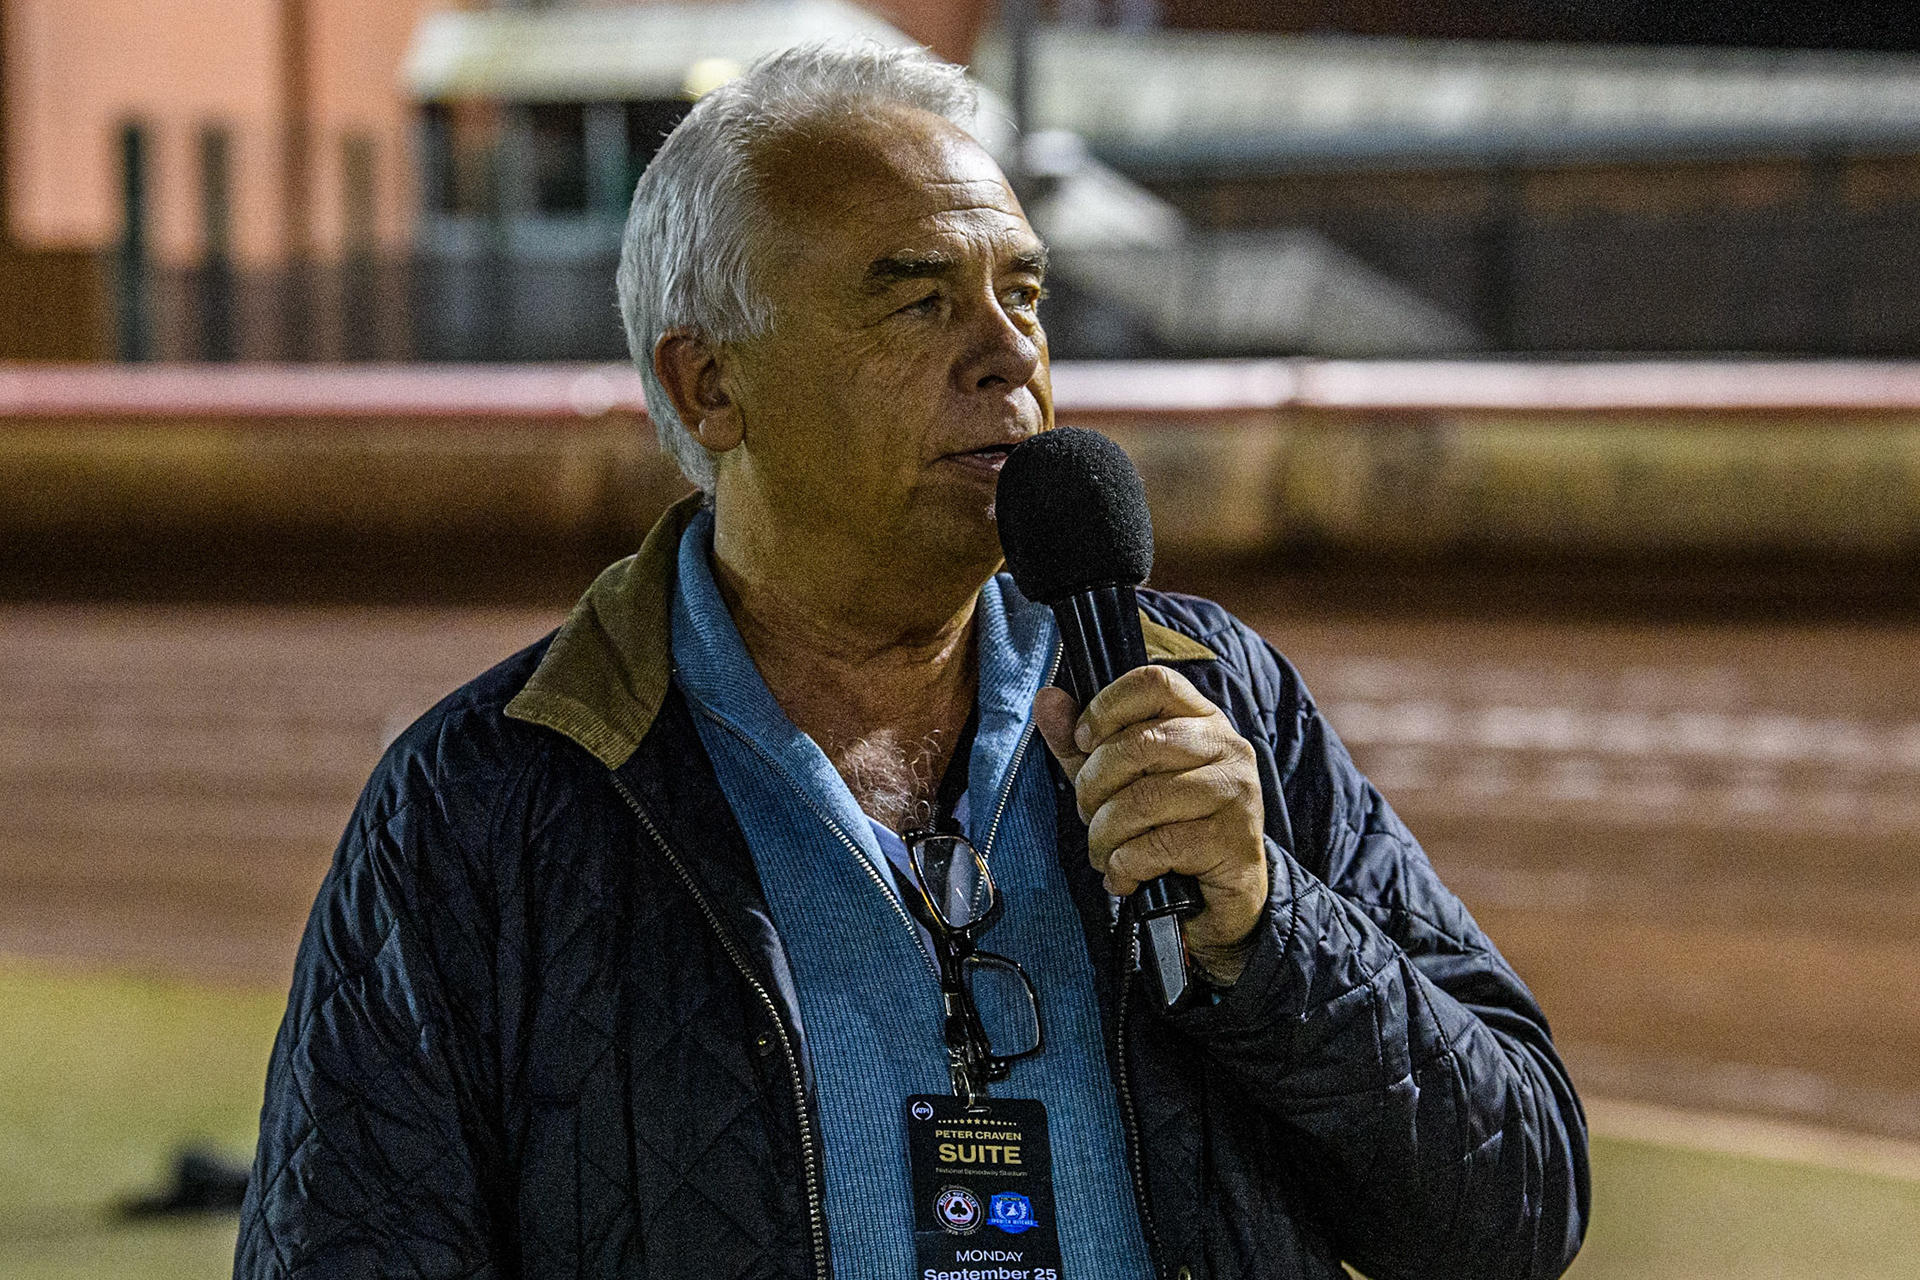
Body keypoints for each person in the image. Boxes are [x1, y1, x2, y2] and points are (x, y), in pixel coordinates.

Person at [236, 42, 1587, 1280]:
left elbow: (1519, 1212)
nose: (1012, 356)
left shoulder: (1208, 701)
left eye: (1023, 294)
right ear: (713, 386)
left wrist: (1270, 933)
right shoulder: (484, 811)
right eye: (921, 302)